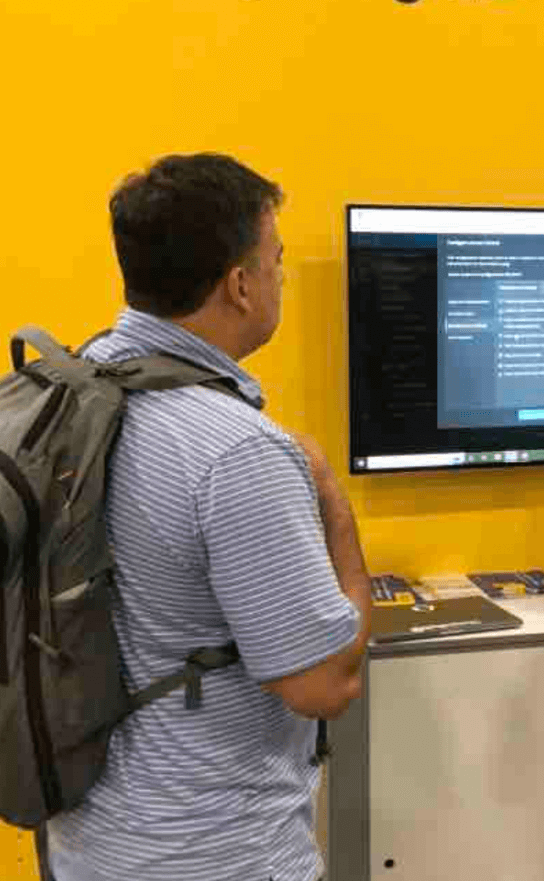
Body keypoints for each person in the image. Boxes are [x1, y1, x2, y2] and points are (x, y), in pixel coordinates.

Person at [43, 153, 371, 881]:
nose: (281, 277)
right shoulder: (237, 452)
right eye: (277, 260)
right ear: (241, 284)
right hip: (218, 855)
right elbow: (325, 685)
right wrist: (334, 508)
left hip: (86, 844)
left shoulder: (69, 389)